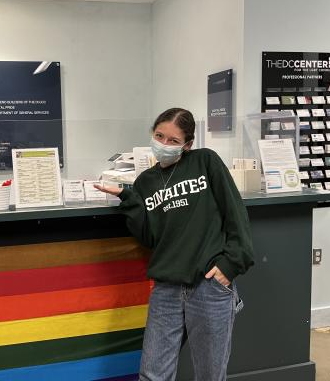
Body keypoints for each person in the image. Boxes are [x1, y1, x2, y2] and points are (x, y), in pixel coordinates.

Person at [95, 108, 254, 381]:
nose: (164, 145)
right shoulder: (146, 182)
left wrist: (230, 265)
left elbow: (235, 213)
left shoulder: (205, 162)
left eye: (173, 140)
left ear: (188, 144)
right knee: (152, 374)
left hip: (209, 286)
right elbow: (150, 237)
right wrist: (129, 198)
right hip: (166, 289)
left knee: (210, 375)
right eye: (159, 136)